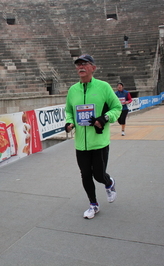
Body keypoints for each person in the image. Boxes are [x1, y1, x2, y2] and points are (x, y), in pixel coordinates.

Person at [65, 54, 122, 219]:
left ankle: (109, 183)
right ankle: (93, 204)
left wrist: (104, 118)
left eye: (84, 64)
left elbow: (116, 108)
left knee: (98, 174)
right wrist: (69, 123)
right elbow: (69, 110)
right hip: (80, 144)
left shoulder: (103, 87)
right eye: (78, 64)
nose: (80, 67)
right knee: (85, 174)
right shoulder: (72, 90)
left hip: (99, 141)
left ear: (93, 67)